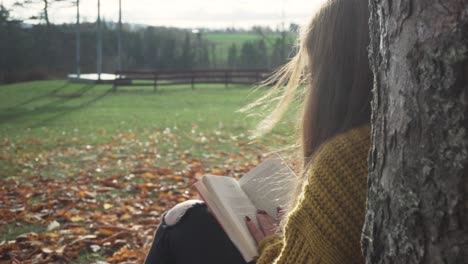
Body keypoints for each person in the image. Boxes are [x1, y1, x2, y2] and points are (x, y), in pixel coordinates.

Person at [144, 0, 373, 263]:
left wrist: (271, 244)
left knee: (182, 223)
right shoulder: (372, 144)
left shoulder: (347, 159)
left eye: (311, 74)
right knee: (192, 217)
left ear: (333, 79)